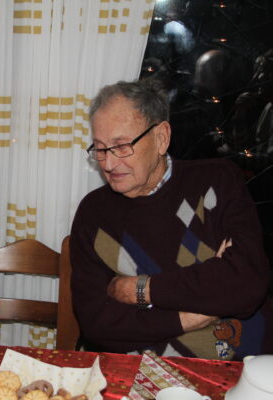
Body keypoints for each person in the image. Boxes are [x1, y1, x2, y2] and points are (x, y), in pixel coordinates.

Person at [70, 79, 273, 360]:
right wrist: (190, 315)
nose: (108, 163)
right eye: (100, 148)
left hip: (241, 364)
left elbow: (246, 285)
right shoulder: (94, 213)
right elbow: (97, 323)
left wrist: (138, 290)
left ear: (161, 137)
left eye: (122, 146)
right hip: (142, 368)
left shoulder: (216, 181)